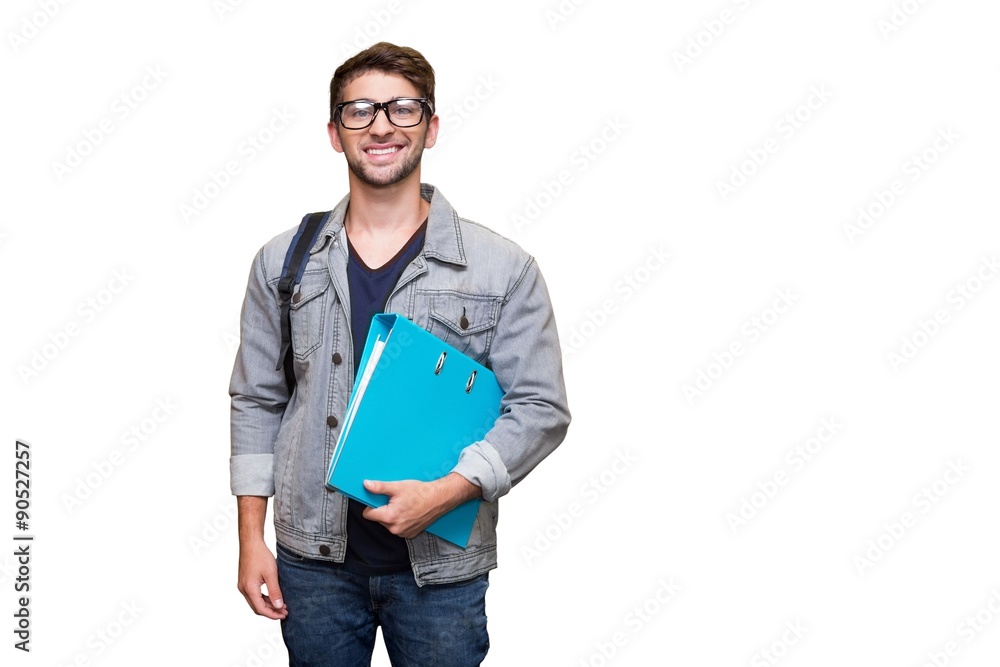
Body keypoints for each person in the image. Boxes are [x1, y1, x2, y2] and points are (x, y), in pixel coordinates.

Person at [229, 42, 570, 666]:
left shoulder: (503, 269)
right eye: (358, 110)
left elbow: (541, 408)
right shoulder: (282, 264)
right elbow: (256, 399)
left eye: (402, 108)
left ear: (431, 127)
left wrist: (448, 492)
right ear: (335, 133)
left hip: (440, 575)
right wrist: (251, 537)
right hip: (314, 564)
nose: (381, 124)